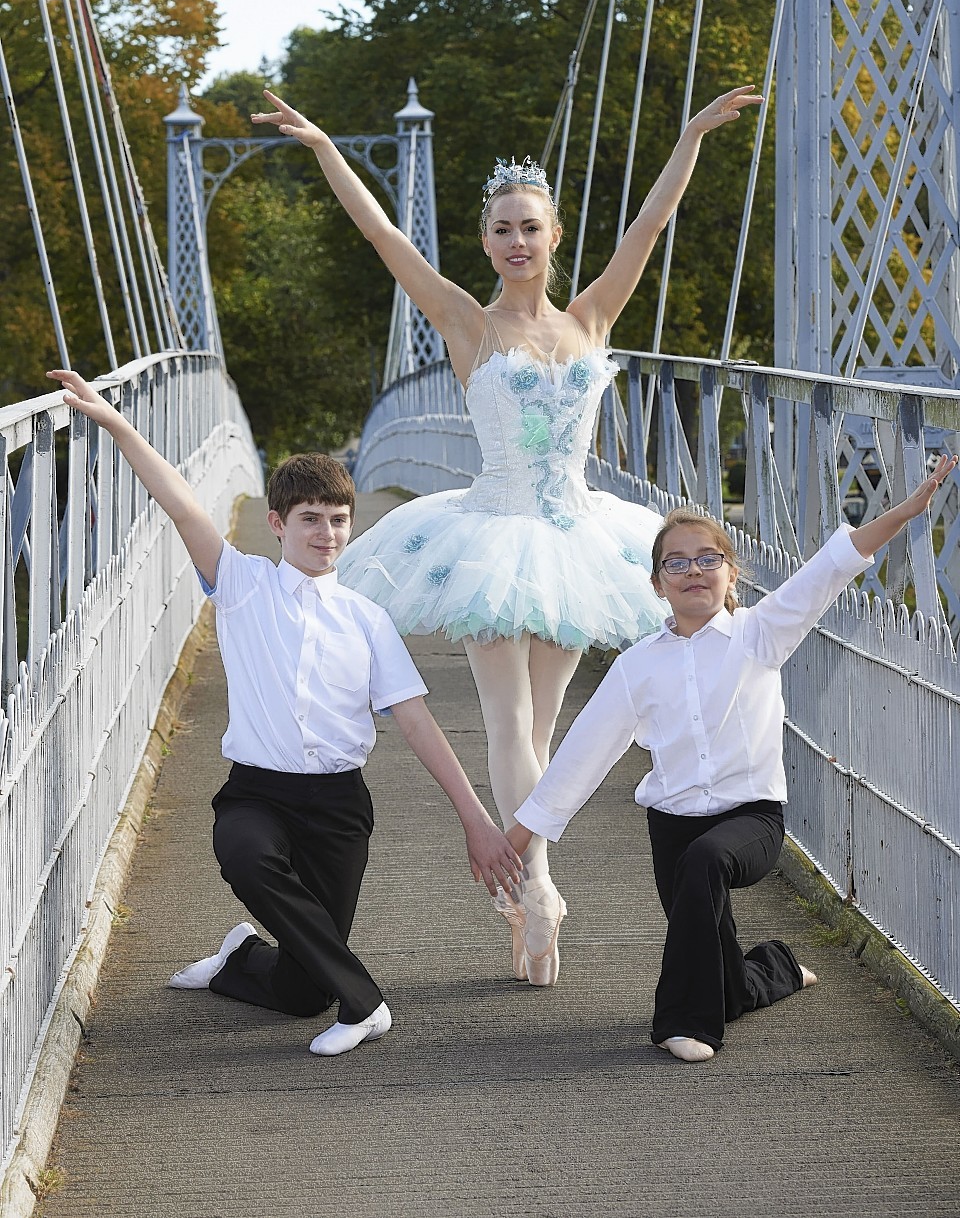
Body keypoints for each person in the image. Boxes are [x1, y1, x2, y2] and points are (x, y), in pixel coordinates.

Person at [251, 83, 761, 986]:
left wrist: (689, 136)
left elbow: (649, 225)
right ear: (486, 243)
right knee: (508, 718)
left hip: (573, 539)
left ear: (552, 237)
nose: (516, 241)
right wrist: (326, 144)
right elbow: (383, 238)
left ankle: (528, 897)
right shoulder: (466, 321)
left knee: (544, 727)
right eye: (501, 229)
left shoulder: (593, 315)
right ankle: (538, 888)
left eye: (530, 227)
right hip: (489, 534)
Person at [48, 369, 522, 1056]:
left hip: (337, 808)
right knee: (244, 856)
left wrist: (477, 821)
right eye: (310, 520)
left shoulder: (367, 619)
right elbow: (181, 506)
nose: (326, 534)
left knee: (303, 995)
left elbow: (416, 723)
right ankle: (367, 1004)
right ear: (276, 524)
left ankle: (242, 958)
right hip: (259, 793)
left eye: (337, 520)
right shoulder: (243, 586)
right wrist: (118, 425)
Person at [504, 455, 958, 1059]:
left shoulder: (761, 634)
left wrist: (905, 511)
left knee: (707, 865)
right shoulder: (636, 666)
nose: (694, 571)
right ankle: (775, 969)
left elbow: (832, 567)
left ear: (731, 574)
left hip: (750, 821)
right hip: (672, 826)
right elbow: (584, 753)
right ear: (657, 582)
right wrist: (522, 835)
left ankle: (682, 1024)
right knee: (722, 970)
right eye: (677, 562)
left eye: (708, 559)